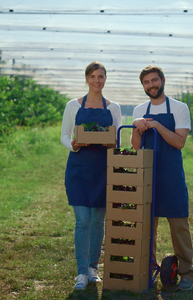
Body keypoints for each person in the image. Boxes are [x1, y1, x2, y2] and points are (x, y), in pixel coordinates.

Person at [131, 65, 193, 290]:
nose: (151, 85)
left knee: (179, 225)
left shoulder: (179, 108)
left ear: (163, 80)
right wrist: (137, 128)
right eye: (146, 83)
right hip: (147, 175)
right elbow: (136, 146)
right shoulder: (140, 109)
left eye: (154, 81)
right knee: (148, 226)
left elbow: (179, 142)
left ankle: (187, 273)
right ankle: (147, 268)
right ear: (143, 86)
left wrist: (156, 125)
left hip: (171, 176)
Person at [61, 61, 122, 290]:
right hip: (79, 168)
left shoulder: (113, 108)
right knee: (83, 221)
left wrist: (109, 143)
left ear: (106, 79)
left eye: (101, 76)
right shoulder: (73, 106)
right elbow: (65, 136)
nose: (97, 81)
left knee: (97, 222)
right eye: (94, 76)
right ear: (87, 78)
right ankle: (80, 273)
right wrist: (75, 145)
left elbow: (116, 139)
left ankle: (92, 269)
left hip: (102, 169)